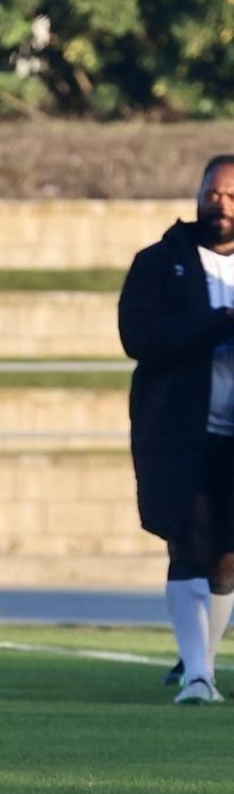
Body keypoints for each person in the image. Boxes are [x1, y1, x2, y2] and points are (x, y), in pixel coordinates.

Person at [119, 154, 234, 705]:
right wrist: (219, 324)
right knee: (188, 543)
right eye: (214, 194)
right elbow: (139, 337)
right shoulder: (161, 263)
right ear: (198, 194)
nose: (222, 206)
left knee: (228, 555)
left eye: (233, 197)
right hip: (180, 432)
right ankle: (198, 676)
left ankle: (201, 664)